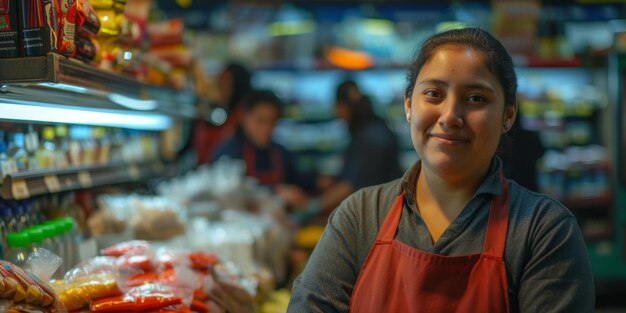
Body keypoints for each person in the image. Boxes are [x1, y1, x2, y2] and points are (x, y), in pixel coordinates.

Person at [287, 27, 594, 312]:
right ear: (409, 105)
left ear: (508, 115)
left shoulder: (544, 231)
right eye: (433, 94)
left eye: (476, 98)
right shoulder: (360, 216)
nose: (450, 116)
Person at [276, 82, 403, 224]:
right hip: (382, 211)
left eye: (336, 107)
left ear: (343, 107)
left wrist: (313, 206)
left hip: (381, 217)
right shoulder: (373, 129)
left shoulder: (369, 137)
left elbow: (349, 185)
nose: (336, 112)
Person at [212, 90, 315, 190]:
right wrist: (275, 191)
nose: (267, 128)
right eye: (260, 121)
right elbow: (226, 190)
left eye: (272, 121)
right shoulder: (229, 151)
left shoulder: (280, 152)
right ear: (244, 117)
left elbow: (299, 179)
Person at [194, 62, 253, 164]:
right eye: (218, 83)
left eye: (224, 83)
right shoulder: (211, 110)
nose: (219, 85)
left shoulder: (242, 117)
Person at [507, 113, 545, 192]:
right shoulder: (531, 136)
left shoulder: (504, 140)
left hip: (509, 187)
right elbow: (541, 153)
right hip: (530, 185)